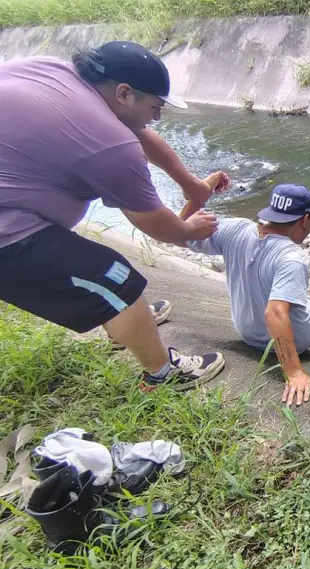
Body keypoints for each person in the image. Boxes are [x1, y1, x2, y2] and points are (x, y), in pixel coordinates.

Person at [0, 40, 232, 391]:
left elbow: (139, 133)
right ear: (124, 93)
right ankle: (163, 374)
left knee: (103, 280)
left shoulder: (55, 72)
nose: (157, 117)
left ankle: (127, 323)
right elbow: (155, 224)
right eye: (155, 106)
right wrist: (188, 227)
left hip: (13, 202)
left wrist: (190, 184)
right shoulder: (108, 142)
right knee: (117, 280)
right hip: (8, 234)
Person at [182, 183, 310, 407]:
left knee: (304, 300)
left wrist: (198, 194)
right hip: (288, 337)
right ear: (304, 220)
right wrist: (294, 373)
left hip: (247, 330)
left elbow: (178, 233)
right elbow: (275, 313)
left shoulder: (236, 229)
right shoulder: (291, 257)